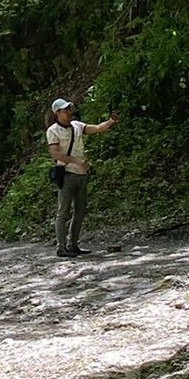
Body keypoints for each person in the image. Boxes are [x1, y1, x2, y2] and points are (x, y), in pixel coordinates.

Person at [47, 96, 120, 258]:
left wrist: (110, 121)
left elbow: (97, 128)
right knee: (63, 212)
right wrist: (76, 161)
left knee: (80, 211)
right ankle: (61, 247)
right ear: (57, 113)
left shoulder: (77, 126)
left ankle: (73, 245)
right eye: (65, 110)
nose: (68, 112)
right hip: (66, 174)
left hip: (81, 174)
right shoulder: (53, 131)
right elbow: (55, 153)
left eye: (69, 109)